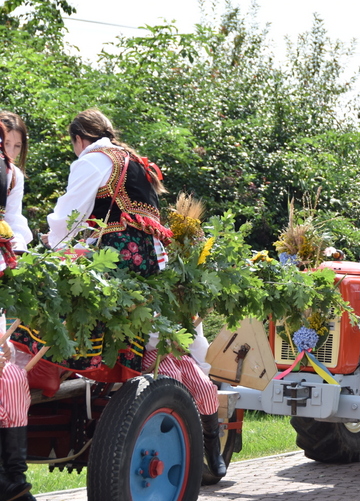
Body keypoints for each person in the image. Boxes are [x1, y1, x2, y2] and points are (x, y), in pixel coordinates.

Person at [44, 108, 226, 478]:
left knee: (74, 309)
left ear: (80, 138)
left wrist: (52, 245)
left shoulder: (93, 159)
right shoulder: (133, 160)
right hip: (148, 264)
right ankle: (213, 451)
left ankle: (68, 368)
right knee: (153, 337)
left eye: (73, 144)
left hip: (121, 261)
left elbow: (70, 214)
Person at [0, 126, 34, 501]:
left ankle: (15, 476)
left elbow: (14, 221)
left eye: (14, 147)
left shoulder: (12, 176)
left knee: (12, 375)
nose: (9, 153)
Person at [0, 112, 33, 251]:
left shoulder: (14, 175)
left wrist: (17, 241)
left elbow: (12, 216)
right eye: (7, 143)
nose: (11, 152)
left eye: (17, 146)